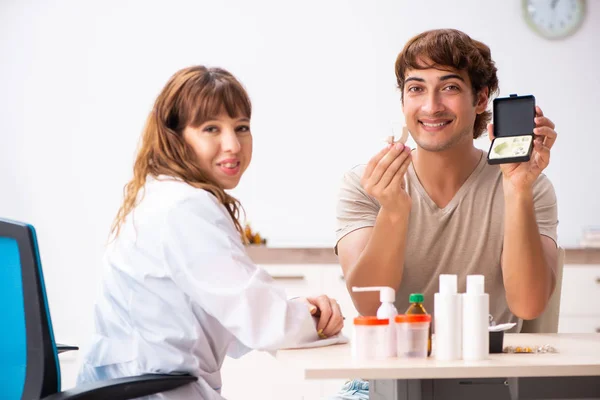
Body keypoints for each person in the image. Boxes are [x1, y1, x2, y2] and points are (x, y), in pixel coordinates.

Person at [77, 66, 344, 399]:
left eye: (241, 127)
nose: (232, 144)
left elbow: (233, 319)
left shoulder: (160, 196)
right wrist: (314, 319)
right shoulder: (184, 207)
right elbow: (263, 323)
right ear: (176, 137)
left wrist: (297, 311)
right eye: (211, 128)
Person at [332, 29, 558, 398]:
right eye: (416, 88)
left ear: (481, 98)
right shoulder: (365, 185)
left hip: (488, 383)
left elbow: (528, 304)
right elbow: (371, 306)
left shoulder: (529, 186)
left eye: (450, 87)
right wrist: (393, 212)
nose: (431, 106)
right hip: (387, 383)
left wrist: (517, 189)